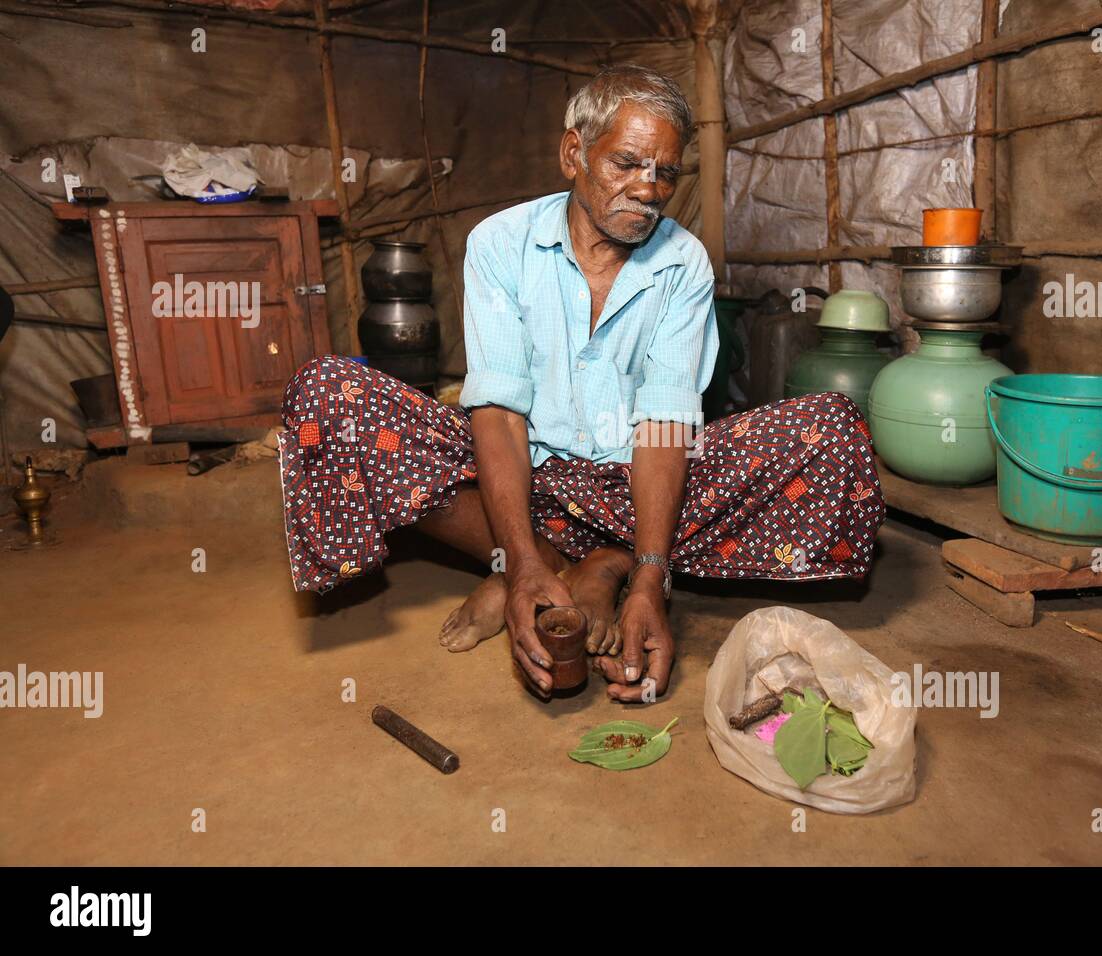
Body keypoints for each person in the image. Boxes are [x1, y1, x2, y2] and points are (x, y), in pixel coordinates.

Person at [279, 64, 885, 702]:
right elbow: (500, 414)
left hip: (637, 486)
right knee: (329, 394)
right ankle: (540, 564)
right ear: (573, 152)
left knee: (831, 428)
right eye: (626, 162)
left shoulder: (682, 262)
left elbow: (665, 424)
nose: (649, 190)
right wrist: (524, 566)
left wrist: (651, 581)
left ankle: (608, 562)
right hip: (526, 478)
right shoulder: (501, 244)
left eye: (667, 172)